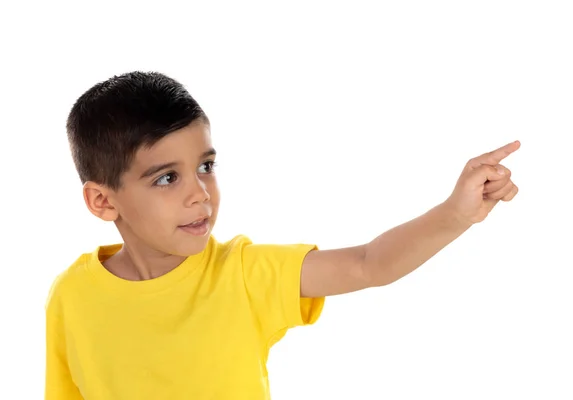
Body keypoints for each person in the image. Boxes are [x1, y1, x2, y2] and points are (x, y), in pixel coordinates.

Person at [45, 71, 519, 399]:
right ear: (103, 201)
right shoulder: (72, 297)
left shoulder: (244, 274)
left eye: (206, 167)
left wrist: (455, 214)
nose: (200, 195)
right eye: (167, 178)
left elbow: (368, 264)